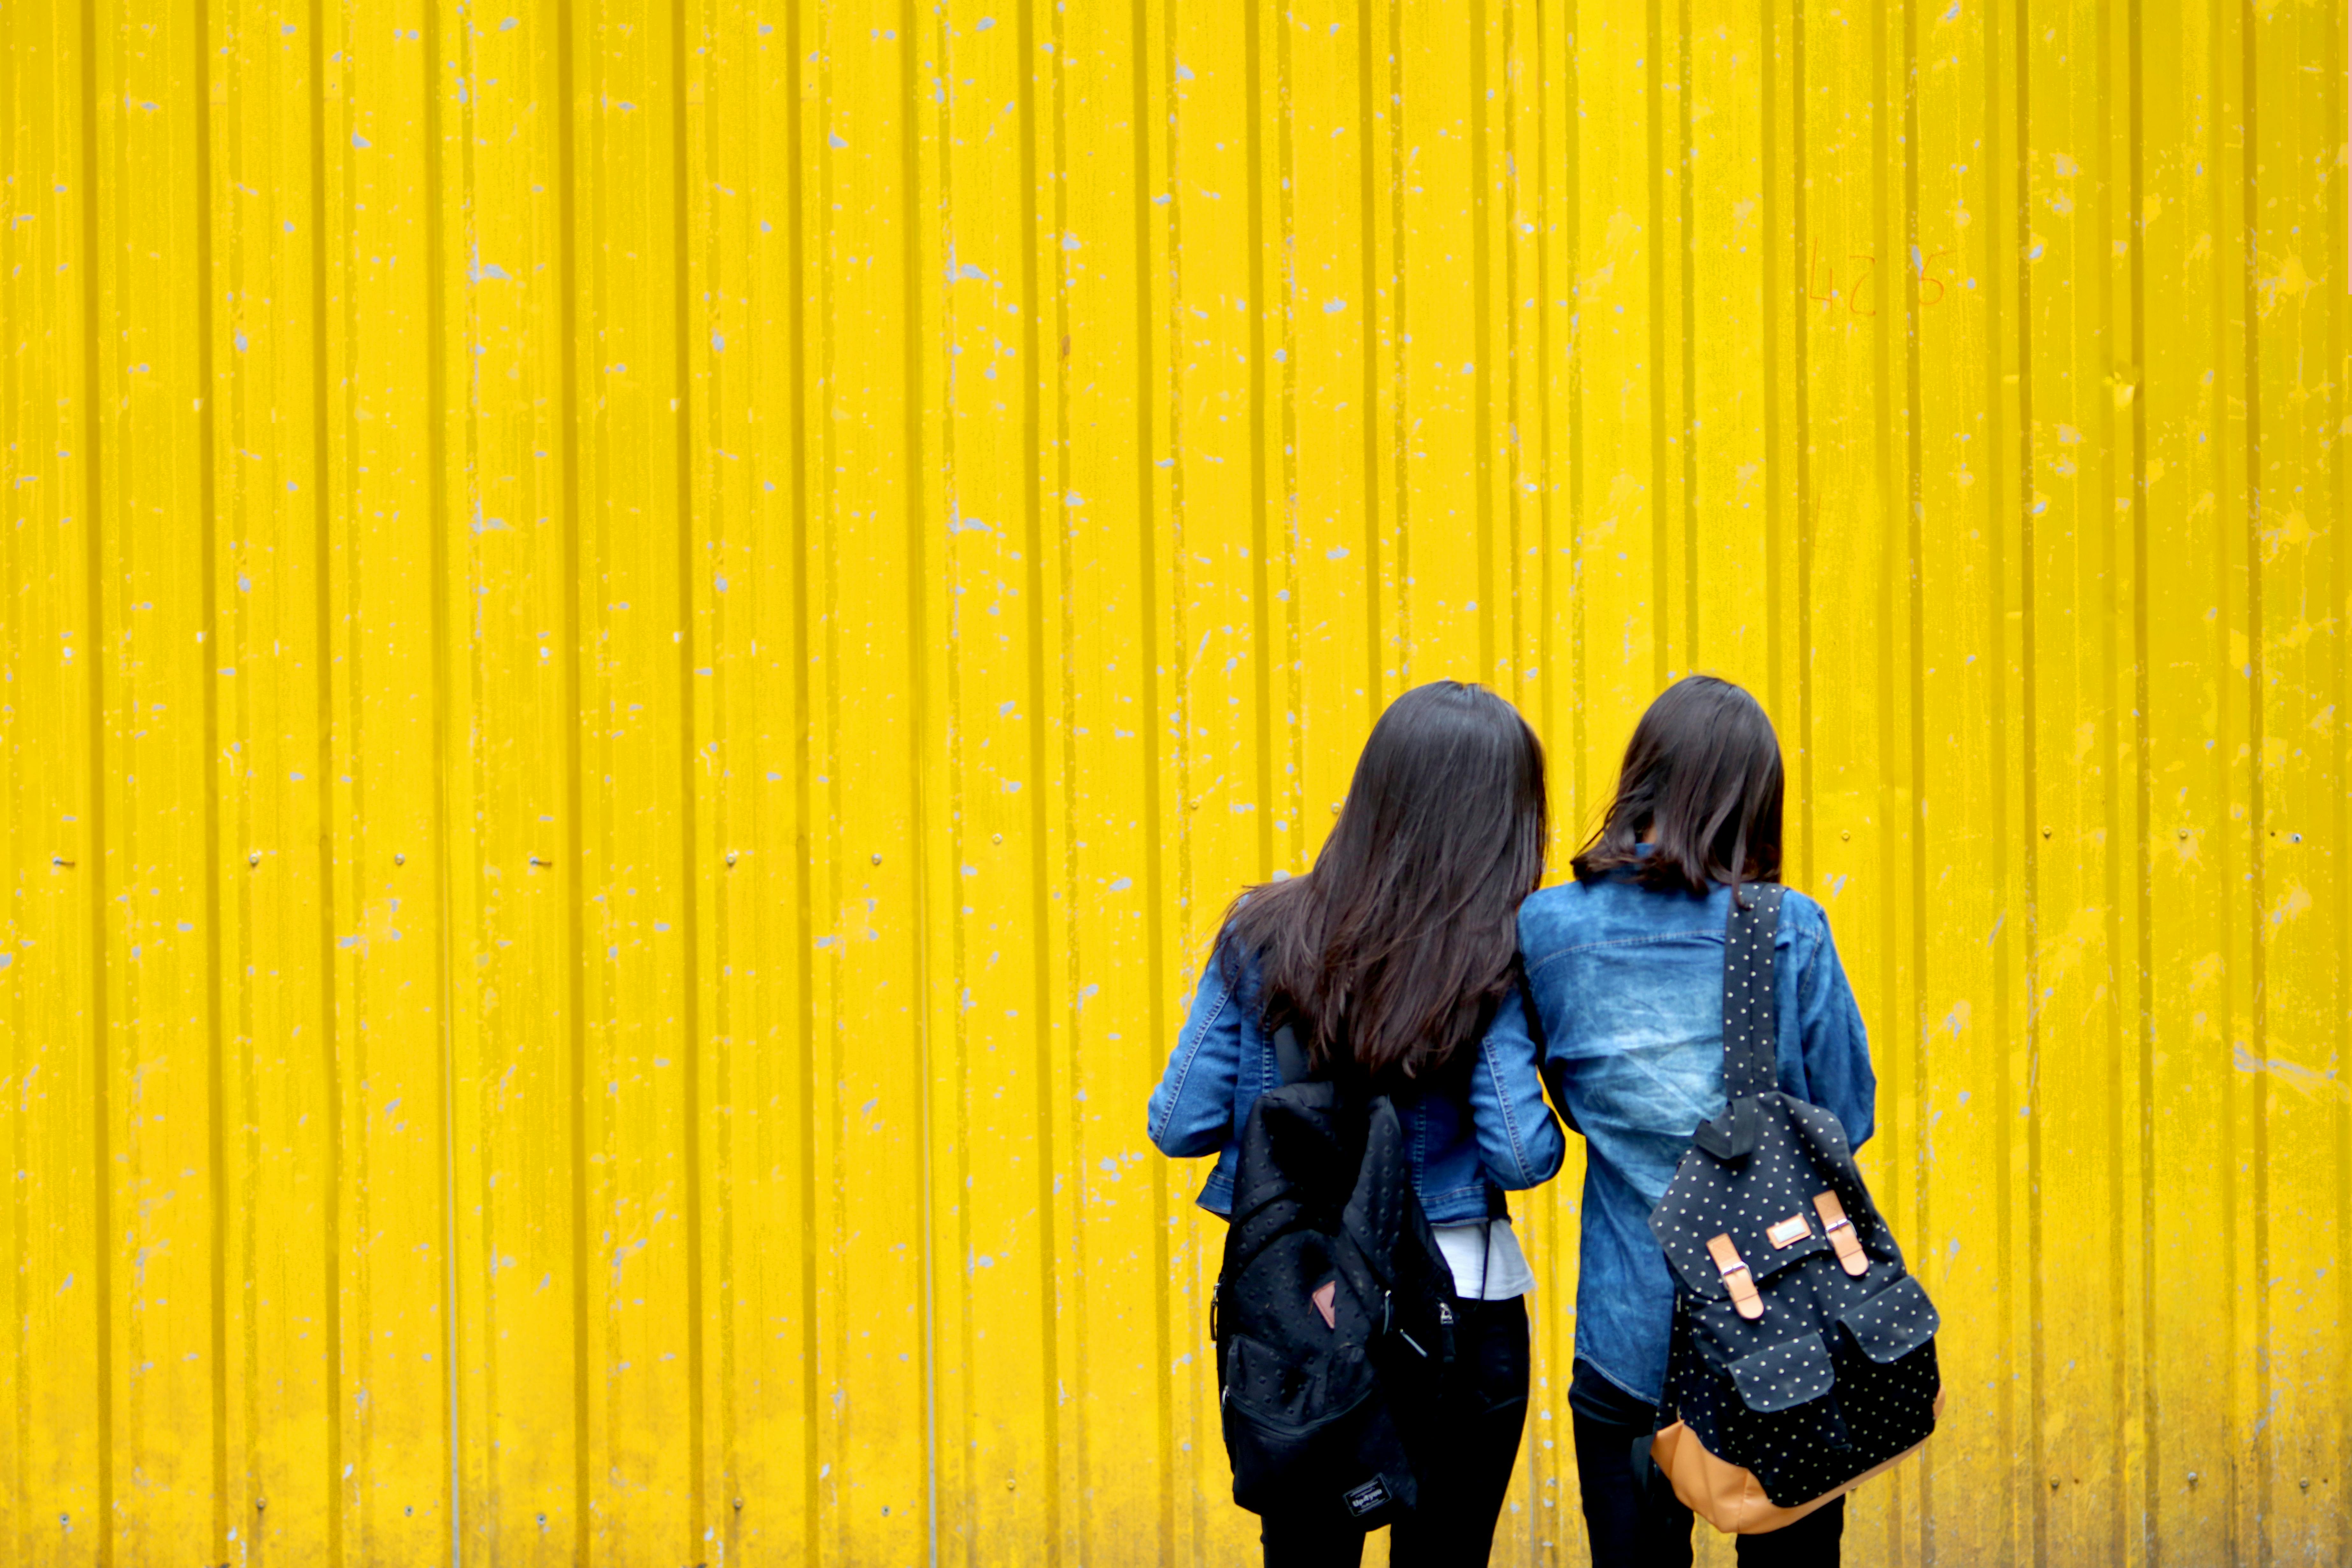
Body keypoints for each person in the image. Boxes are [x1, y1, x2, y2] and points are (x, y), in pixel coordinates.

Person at [1146, 680, 1566, 1567]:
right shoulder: (1496, 952)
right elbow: (1521, 1157)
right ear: (1504, 820)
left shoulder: (1261, 935)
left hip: (1298, 1315)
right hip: (1458, 1315)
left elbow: (1178, 1124)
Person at [1520, 675, 1875, 1567]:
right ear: (1755, 803)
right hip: (1782, 1337)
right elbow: (1848, 1114)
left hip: (1625, 1342)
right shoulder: (1787, 928)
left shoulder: (1547, 928)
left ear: (1641, 778)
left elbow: (1555, 1096)